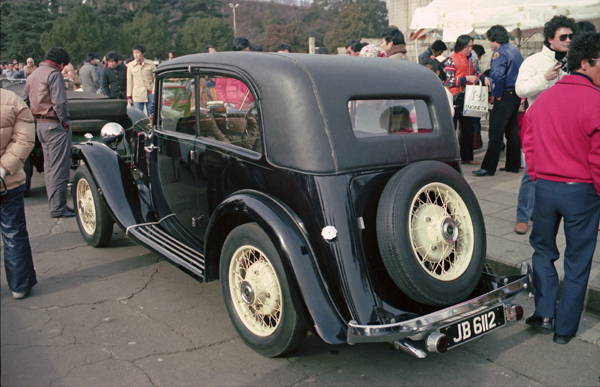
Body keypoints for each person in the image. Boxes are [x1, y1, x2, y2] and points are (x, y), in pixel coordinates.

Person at [522, 31, 600, 345]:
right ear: (586, 62)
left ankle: (543, 312)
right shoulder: (596, 101)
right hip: (581, 191)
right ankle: (564, 329)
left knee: (542, 251)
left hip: (545, 188)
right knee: (578, 261)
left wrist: (539, 176)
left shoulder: (545, 99)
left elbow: (529, 143)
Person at [513, 15, 576, 235]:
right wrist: (545, 78)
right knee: (532, 170)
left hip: (567, 125)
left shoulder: (575, 60)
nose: (568, 40)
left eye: (571, 36)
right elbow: (520, 89)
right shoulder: (534, 61)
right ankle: (523, 216)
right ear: (550, 38)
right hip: (539, 124)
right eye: (563, 36)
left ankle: (548, 211)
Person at [22, 47, 74, 218]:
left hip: (40, 125)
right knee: (60, 168)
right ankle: (58, 207)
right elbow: (60, 103)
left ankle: (55, 206)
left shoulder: (33, 75)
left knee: (50, 167)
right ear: (61, 63)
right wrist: (65, 122)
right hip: (55, 125)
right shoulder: (54, 74)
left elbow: (24, 100)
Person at [1, 88, 37, 300]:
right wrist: (4, 168)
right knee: (14, 232)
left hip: (9, 181)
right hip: (9, 180)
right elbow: (24, 139)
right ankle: (19, 285)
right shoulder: (12, 100)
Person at [473, 25, 524, 177]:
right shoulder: (515, 51)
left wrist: (496, 93)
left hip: (505, 93)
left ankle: (488, 167)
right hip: (515, 92)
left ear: (494, 40)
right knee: (512, 130)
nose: (489, 43)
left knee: (496, 130)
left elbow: (498, 75)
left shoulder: (499, 53)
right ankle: (513, 164)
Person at [443, 34, 486, 164]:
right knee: (452, 129)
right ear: (460, 46)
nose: (470, 49)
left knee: (468, 129)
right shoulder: (450, 59)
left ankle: (467, 157)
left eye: (471, 47)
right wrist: (466, 79)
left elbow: (475, 71)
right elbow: (447, 81)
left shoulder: (470, 59)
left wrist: (484, 78)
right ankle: (449, 158)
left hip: (467, 99)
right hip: (454, 99)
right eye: (468, 47)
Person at [127, 44, 156, 117]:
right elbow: (129, 81)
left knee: (151, 115)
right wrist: (129, 96)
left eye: (137, 52)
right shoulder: (130, 65)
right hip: (137, 94)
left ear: (143, 53)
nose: (135, 55)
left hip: (149, 93)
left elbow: (155, 78)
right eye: (134, 53)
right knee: (138, 116)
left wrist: (154, 90)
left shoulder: (150, 64)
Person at [472, 44, 486, 149]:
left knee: (474, 121)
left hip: (471, 95)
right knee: (475, 121)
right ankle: (476, 142)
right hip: (474, 95)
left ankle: (476, 142)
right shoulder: (474, 60)